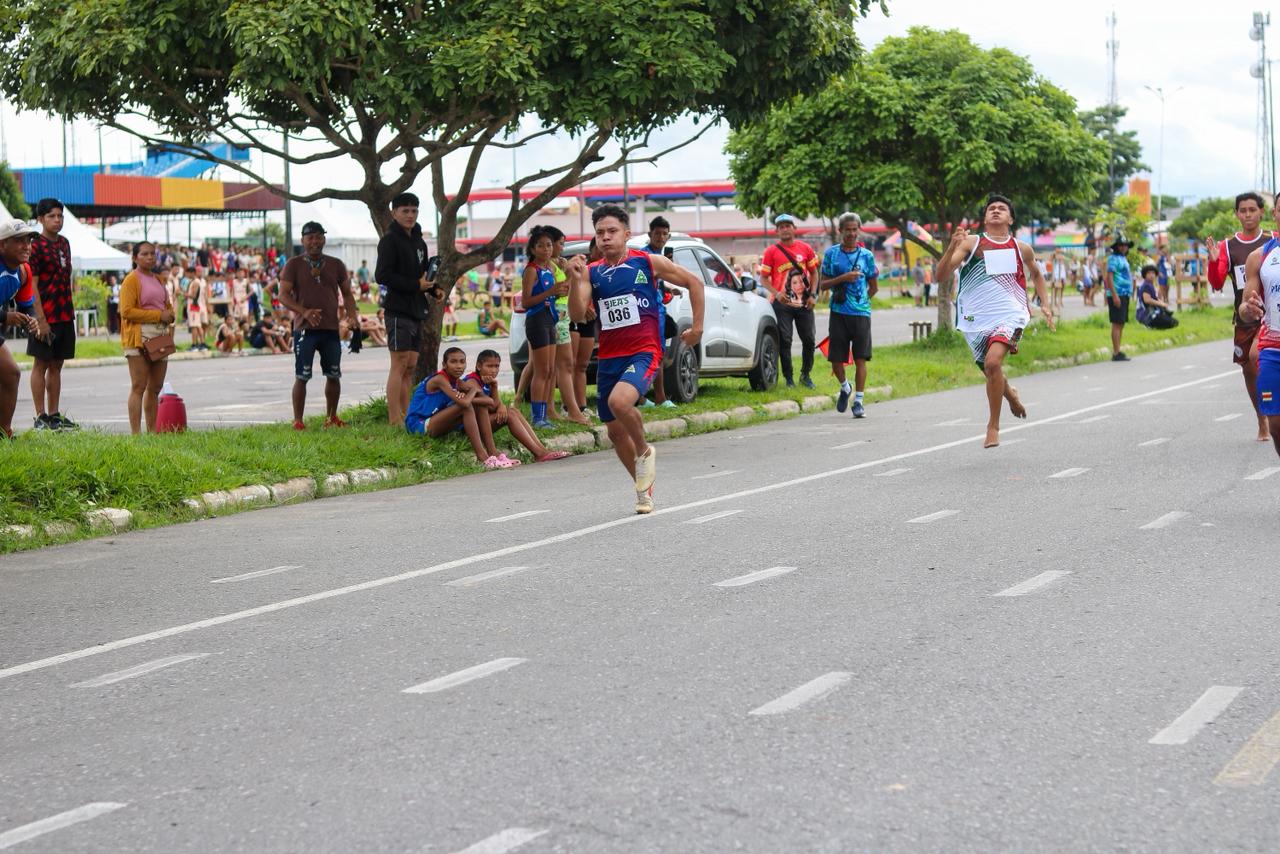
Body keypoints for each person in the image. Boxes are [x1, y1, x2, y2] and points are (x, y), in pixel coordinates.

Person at [567, 204, 704, 514]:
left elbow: (694, 283)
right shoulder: (592, 272)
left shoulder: (648, 262)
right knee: (614, 432)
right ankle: (643, 490)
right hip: (610, 357)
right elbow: (577, 314)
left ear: (627, 234)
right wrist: (575, 281)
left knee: (620, 402)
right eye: (600, 233)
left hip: (645, 350)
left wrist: (697, 327)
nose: (605, 237)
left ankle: (643, 450)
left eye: (612, 231)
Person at [934, 194, 1054, 449]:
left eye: (1002, 209)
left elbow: (1036, 274)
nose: (996, 211)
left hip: (1011, 314)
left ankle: (993, 426)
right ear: (985, 217)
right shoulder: (972, 243)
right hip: (976, 317)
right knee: (989, 369)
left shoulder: (1022, 248)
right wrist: (951, 248)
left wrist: (1044, 303)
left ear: (1011, 218)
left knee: (992, 362)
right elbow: (941, 275)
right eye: (991, 209)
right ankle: (1009, 394)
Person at [278, 223, 359, 430]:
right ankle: (298, 421)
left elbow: (347, 293)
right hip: (304, 329)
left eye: (318, 237)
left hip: (330, 328)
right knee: (302, 376)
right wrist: (304, 311)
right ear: (303, 240)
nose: (314, 241)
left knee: (333, 374)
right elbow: (283, 295)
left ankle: (331, 418)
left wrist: (352, 317)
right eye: (310, 237)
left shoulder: (336, 264)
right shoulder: (293, 264)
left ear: (324, 238)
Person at [1207, 191, 1273, 442]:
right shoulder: (1226, 246)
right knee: (1248, 369)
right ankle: (1262, 421)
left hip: (1271, 315)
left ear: (1261, 212)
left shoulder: (1273, 240)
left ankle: (1272, 411)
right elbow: (1215, 282)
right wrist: (1214, 262)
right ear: (1236, 214)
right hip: (1244, 317)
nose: (1247, 215)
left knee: (1260, 357)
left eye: (1252, 210)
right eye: (1242, 210)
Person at [376, 192, 442, 426]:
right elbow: (382, 275)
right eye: (405, 210)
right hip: (397, 310)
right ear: (394, 213)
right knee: (400, 363)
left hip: (417, 309)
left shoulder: (419, 241)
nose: (410, 215)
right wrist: (415, 285)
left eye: (414, 210)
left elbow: (424, 274)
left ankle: (406, 415)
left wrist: (434, 290)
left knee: (411, 365)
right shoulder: (389, 241)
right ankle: (394, 418)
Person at [405, 346, 517, 469]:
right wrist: (473, 391)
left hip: (435, 420)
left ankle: (492, 452)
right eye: (453, 362)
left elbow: (489, 401)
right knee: (466, 407)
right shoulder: (440, 379)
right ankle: (483, 457)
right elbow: (464, 404)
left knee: (477, 405)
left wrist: (472, 394)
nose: (458, 366)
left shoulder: (458, 382)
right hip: (418, 424)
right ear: (444, 364)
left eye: (462, 362)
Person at [461, 350, 572, 463]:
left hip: (483, 422)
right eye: (489, 366)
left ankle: (542, 450)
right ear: (479, 366)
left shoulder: (487, 381)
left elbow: (495, 405)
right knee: (510, 415)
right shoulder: (472, 381)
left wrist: (501, 405)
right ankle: (539, 453)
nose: (494, 370)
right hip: (469, 427)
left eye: (496, 366)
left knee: (514, 411)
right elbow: (490, 406)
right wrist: (496, 393)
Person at [818, 212, 879, 418]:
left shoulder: (867, 256)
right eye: (848, 230)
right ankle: (845, 387)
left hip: (861, 314)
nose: (852, 233)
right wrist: (844, 278)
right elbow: (822, 284)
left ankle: (859, 401)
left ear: (859, 230)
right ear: (840, 231)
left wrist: (862, 303)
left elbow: (874, 287)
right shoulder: (831, 255)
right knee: (836, 358)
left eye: (855, 229)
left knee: (861, 358)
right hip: (838, 312)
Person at [27, 198, 78, 431]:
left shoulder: (65, 243)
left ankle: (55, 414)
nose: (57, 220)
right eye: (51, 216)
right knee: (41, 364)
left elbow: (65, 278)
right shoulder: (35, 245)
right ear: (40, 219)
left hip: (64, 313)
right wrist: (40, 320)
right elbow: (32, 285)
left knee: (57, 364)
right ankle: (40, 417)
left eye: (60, 216)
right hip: (44, 315)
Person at [119, 241, 177, 434]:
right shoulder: (131, 280)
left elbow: (166, 304)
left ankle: (153, 433)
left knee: (155, 387)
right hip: (138, 337)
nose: (150, 257)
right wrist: (158, 315)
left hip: (160, 335)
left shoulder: (159, 279)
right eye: (144, 254)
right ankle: (136, 435)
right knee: (139, 386)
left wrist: (169, 313)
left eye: (152, 253)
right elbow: (126, 311)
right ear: (135, 258)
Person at [759, 214, 820, 388]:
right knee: (785, 340)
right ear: (777, 231)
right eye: (781, 226)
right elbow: (764, 278)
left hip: (804, 302)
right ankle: (789, 378)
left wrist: (814, 295)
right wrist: (776, 293)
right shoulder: (771, 251)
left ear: (794, 228)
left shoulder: (805, 248)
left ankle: (805, 375)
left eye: (788, 225)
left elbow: (814, 273)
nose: (785, 229)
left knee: (809, 339)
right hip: (782, 304)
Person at [520, 225, 569, 428]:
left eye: (549, 245)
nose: (546, 249)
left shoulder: (550, 269)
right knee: (541, 371)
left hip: (550, 319)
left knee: (549, 370)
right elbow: (526, 302)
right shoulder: (532, 270)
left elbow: (554, 294)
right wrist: (550, 293)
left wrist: (559, 293)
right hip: (537, 320)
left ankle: (544, 416)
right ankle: (537, 417)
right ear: (532, 249)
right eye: (540, 246)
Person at [1239, 222, 1280, 458]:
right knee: (1276, 426)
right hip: (1273, 349)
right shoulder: (1260, 257)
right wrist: (1249, 309)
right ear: (1275, 214)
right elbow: (1245, 307)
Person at [0, 220, 40, 438]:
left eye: (28, 240)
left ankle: (4, 432)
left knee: (11, 373)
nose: (26, 246)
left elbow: (27, 306)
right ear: (2, 245)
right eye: (18, 241)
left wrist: (31, 319)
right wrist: (6, 316)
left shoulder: (23, 271)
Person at [641, 216, 678, 408]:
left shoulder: (662, 257)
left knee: (659, 354)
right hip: (647, 313)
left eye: (664, 234)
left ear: (669, 236)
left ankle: (658, 397)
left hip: (658, 312)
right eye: (657, 234)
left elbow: (655, 284)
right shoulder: (644, 256)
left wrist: (669, 289)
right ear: (650, 234)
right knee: (648, 355)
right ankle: (652, 397)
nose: (661, 237)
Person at [569, 238, 601, 412]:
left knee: (582, 365)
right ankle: (569, 406)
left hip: (590, 320)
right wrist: (582, 307)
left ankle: (582, 406)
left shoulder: (606, 270)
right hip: (573, 320)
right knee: (571, 364)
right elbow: (567, 288)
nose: (603, 251)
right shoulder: (581, 268)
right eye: (599, 248)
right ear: (592, 250)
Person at [1103, 236, 1134, 361]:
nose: (1123, 247)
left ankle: (1118, 350)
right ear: (1116, 246)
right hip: (1117, 294)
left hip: (1125, 294)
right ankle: (1116, 352)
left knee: (1121, 323)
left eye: (1125, 245)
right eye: (1121, 245)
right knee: (1116, 323)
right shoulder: (1113, 259)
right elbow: (1109, 277)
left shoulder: (1123, 258)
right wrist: (1114, 295)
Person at [1135, 265, 1178, 329]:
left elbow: (1155, 297)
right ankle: (1148, 324)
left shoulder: (1150, 284)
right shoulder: (1146, 285)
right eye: (1149, 273)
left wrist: (1162, 303)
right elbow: (1147, 300)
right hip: (1145, 314)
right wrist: (1160, 304)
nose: (1151, 275)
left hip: (1152, 311)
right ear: (1145, 275)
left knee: (1173, 322)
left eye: (1153, 273)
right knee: (1171, 323)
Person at [186, 265, 210, 351]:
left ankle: (195, 344)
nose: (187, 274)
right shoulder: (194, 281)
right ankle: (202, 343)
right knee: (198, 325)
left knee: (195, 325)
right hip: (197, 305)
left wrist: (182, 293)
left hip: (195, 306)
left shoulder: (197, 282)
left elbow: (194, 295)